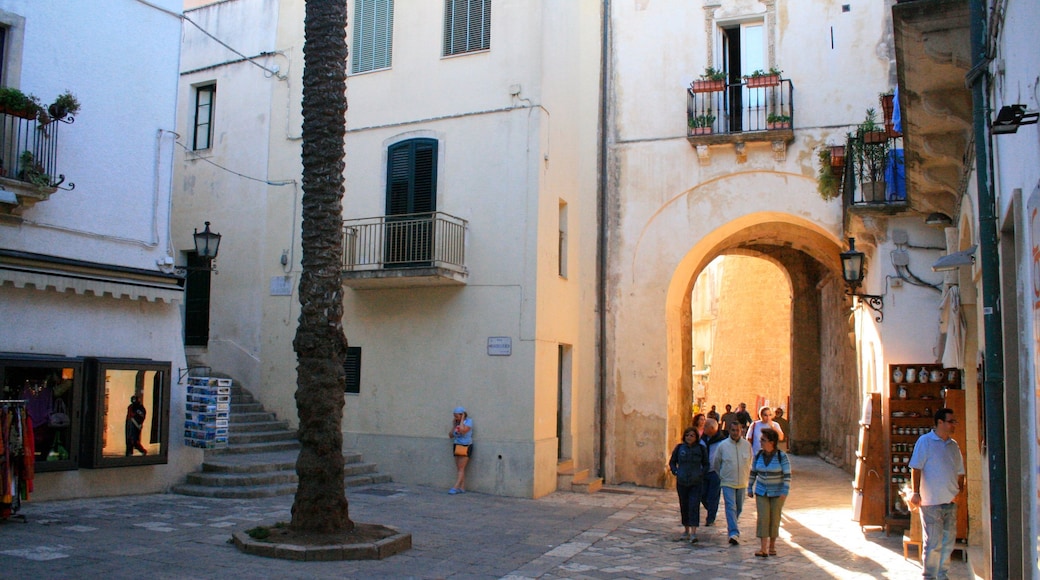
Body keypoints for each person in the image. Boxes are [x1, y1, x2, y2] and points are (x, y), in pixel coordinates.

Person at [908, 408, 965, 580]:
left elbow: (960, 471)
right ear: (940, 422)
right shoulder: (925, 442)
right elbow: (916, 467)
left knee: (947, 542)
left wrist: (959, 491)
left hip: (949, 500)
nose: (954, 424)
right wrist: (916, 492)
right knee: (933, 543)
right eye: (951, 421)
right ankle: (930, 576)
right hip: (931, 501)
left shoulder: (953, 446)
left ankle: (942, 575)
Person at [748, 427, 790, 557]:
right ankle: (763, 548)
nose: (760, 442)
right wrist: (750, 487)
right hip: (761, 492)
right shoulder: (759, 455)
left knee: (774, 518)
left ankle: (772, 546)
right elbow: (753, 472)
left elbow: (787, 475)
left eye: (763, 440)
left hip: (777, 493)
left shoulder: (781, 456)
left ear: (771, 442)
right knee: (763, 518)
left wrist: (785, 491)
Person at [712, 419, 753, 545]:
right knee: (730, 506)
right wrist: (723, 476)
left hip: (742, 482)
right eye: (733, 430)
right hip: (728, 482)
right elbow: (716, 463)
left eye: (738, 430)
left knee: (738, 507)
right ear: (729, 430)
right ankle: (733, 532)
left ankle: (733, 524)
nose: (736, 433)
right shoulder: (723, 446)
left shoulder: (747, 446)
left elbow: (750, 460)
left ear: (741, 431)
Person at [668, 426, 708, 544]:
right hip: (682, 481)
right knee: (684, 505)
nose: (689, 437)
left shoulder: (700, 449)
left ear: (696, 437)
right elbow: (672, 462)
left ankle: (694, 531)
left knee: (694, 505)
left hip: (696, 482)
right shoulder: (680, 448)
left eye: (692, 435)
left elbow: (706, 464)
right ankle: (686, 529)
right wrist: (676, 471)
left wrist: (701, 473)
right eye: (687, 435)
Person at [700, 418, 727, 527]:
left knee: (713, 495)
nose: (703, 428)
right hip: (703, 471)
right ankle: (710, 508)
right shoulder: (702, 439)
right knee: (702, 494)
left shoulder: (722, 441)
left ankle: (711, 517)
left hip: (715, 472)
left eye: (705, 426)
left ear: (712, 428)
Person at [449, 406, 473, 494]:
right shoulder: (456, 423)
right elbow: (451, 435)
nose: (455, 418)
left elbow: (463, 431)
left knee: (461, 468)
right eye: (454, 416)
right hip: (457, 445)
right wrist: (454, 426)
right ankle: (462, 487)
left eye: (457, 416)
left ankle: (455, 487)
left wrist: (462, 420)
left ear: (462, 415)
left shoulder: (469, 422)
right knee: (459, 468)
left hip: (466, 446)